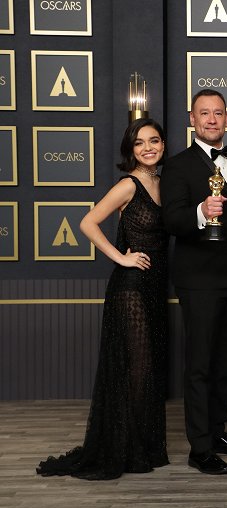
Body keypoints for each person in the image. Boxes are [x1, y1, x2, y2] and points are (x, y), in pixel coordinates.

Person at [36, 118, 170, 480]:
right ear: (131, 150)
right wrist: (122, 257)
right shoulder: (127, 185)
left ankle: (140, 445)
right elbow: (88, 222)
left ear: (162, 144)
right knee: (136, 369)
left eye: (154, 141)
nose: (148, 148)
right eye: (139, 143)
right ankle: (124, 449)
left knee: (149, 371)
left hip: (156, 287)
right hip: (130, 287)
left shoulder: (162, 182)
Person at [160, 89, 227, 475]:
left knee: (224, 363)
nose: (213, 120)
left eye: (219, 113)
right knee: (200, 364)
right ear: (192, 119)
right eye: (205, 114)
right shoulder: (178, 166)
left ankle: (218, 433)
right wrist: (201, 211)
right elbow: (172, 221)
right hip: (198, 280)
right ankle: (200, 448)